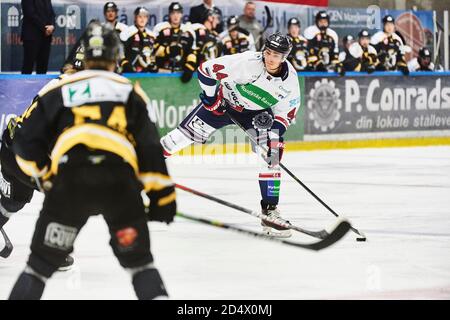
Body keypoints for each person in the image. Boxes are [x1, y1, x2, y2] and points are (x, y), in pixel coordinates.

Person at [8, 22, 176, 300]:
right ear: (116, 56)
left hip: (70, 182)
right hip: (119, 184)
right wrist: (162, 197)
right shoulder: (130, 91)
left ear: (84, 57)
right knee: (141, 266)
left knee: (38, 269)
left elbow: (24, 140)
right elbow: (149, 149)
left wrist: (45, 176)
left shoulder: (60, 87)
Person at [160, 32, 300, 237]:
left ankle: (270, 212)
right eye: (268, 52)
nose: (270, 58)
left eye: (276, 55)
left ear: (284, 57)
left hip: (256, 115)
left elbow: (285, 114)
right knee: (175, 140)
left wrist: (275, 138)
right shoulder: (246, 62)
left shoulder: (290, 82)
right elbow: (205, 70)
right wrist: (210, 100)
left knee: (272, 156)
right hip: (223, 104)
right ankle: (138, 171)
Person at [153, 2, 196, 74]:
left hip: (181, 72)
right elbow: (153, 50)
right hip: (163, 71)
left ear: (182, 14)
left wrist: (190, 67)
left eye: (178, 13)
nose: (176, 16)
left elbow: (193, 51)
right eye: (173, 13)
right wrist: (167, 50)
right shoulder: (160, 28)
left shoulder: (188, 30)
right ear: (169, 14)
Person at [184, 9, 221, 82]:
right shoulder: (197, 28)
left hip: (210, 74)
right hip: (194, 73)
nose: (217, 22)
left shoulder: (215, 35)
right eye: (216, 18)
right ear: (210, 18)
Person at [21, 0, 56, 74]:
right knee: (28, 67)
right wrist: (44, 28)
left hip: (46, 37)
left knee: (43, 68)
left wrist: (52, 26)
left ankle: (42, 85)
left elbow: (52, 14)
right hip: (31, 36)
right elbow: (30, 14)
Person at [120, 7, 158, 73]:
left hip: (147, 73)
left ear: (147, 19)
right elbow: (119, 49)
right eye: (140, 16)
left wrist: (153, 63)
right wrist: (124, 63)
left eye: (145, 17)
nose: (142, 19)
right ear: (135, 18)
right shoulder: (128, 32)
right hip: (131, 72)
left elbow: (152, 53)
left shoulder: (151, 35)